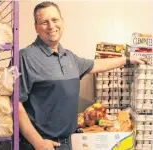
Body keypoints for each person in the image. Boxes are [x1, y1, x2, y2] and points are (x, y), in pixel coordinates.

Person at [19, 1, 149, 150]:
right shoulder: (25, 57)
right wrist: (37, 142)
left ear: (62, 22)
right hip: (40, 145)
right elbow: (15, 103)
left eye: (55, 20)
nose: (51, 26)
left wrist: (127, 59)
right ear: (36, 27)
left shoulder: (69, 57)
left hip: (68, 142)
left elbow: (96, 65)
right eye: (44, 22)